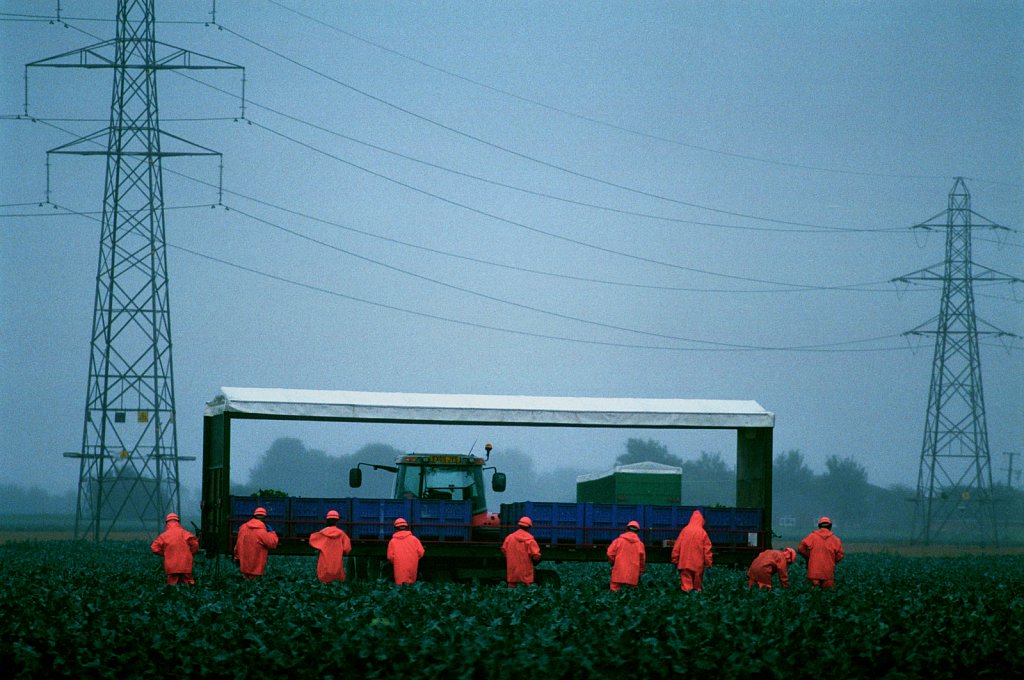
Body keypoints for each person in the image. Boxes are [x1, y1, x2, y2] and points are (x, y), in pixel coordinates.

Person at [150, 512, 199, 585]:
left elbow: (154, 548)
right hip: (185, 566)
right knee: (188, 586)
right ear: (178, 522)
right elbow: (195, 544)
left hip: (171, 567)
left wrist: (166, 553)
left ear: (167, 523)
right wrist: (190, 553)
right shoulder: (184, 533)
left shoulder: (163, 536)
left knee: (172, 588)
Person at [670, 509, 713, 592]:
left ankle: (687, 601)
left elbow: (676, 548)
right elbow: (707, 551)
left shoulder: (684, 531)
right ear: (701, 521)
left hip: (684, 564)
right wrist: (709, 565)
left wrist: (674, 561)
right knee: (697, 589)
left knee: (686, 589)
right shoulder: (703, 533)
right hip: (698, 566)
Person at [798, 516, 844, 589]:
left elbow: (800, 548)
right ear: (830, 527)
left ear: (819, 526)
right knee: (827, 596)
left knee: (814, 596)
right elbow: (840, 555)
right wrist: (832, 560)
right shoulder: (836, 540)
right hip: (828, 573)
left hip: (813, 572)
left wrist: (810, 556)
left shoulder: (812, 536)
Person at [234, 506, 279, 579]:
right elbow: (272, 544)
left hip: (244, 566)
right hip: (256, 568)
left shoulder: (243, 527)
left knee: (246, 585)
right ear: (264, 518)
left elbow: (237, 545)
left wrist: (236, 557)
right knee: (254, 585)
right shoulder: (261, 531)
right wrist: (272, 532)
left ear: (254, 516)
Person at [308, 509, 352, 583]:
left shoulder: (322, 533)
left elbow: (312, 540)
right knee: (337, 582)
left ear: (327, 520)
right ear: (337, 521)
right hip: (337, 564)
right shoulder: (342, 534)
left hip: (324, 563)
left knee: (323, 581)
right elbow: (347, 549)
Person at [501, 516, 542, 587]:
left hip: (513, 569)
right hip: (526, 570)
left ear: (519, 525)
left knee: (512, 587)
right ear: (529, 527)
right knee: (527, 588)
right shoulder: (530, 540)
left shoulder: (509, 537)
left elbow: (504, 550)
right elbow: (536, 555)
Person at [607, 520, 646, 591]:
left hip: (618, 572)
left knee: (614, 594)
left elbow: (610, 553)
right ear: (637, 531)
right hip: (633, 575)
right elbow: (642, 561)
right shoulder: (640, 544)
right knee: (631, 595)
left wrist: (613, 562)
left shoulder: (618, 541)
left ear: (627, 529)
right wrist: (640, 572)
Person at [387, 517, 425, 585]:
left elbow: (390, 557)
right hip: (412, 565)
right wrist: (414, 558)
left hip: (398, 567)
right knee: (411, 585)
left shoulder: (392, 541)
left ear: (395, 528)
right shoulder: (414, 539)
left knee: (400, 586)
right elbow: (421, 552)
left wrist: (396, 561)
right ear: (406, 527)